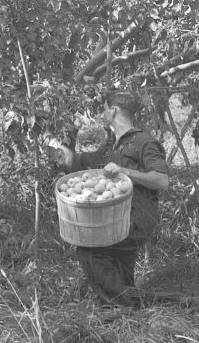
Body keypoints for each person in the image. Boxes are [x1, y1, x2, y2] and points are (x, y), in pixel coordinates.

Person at [50, 91, 169, 306]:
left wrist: (124, 171)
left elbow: (161, 181)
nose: (102, 113)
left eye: (105, 108)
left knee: (89, 251)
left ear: (113, 110)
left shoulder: (144, 142)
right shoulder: (110, 146)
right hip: (116, 216)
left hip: (136, 217)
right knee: (120, 265)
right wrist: (67, 140)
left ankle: (123, 307)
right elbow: (78, 163)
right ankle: (131, 308)